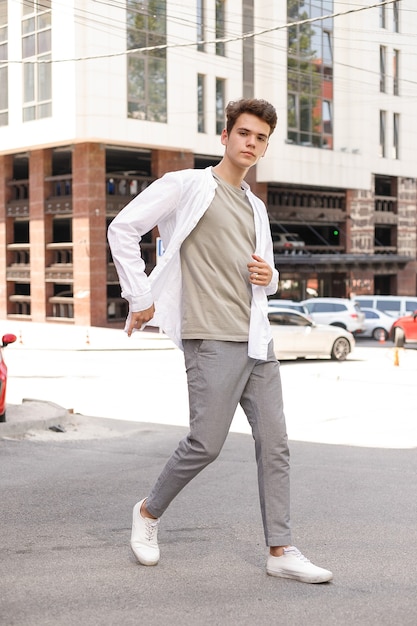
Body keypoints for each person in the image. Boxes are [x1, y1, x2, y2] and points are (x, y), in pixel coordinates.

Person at [107, 98, 333, 584]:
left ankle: (281, 548)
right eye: (245, 134)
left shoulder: (256, 206)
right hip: (209, 335)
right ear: (225, 136)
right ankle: (148, 512)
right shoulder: (188, 185)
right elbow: (122, 228)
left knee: (276, 446)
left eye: (261, 139)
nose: (252, 144)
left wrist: (270, 276)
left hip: (257, 339)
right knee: (205, 444)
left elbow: (266, 279)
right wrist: (139, 293)